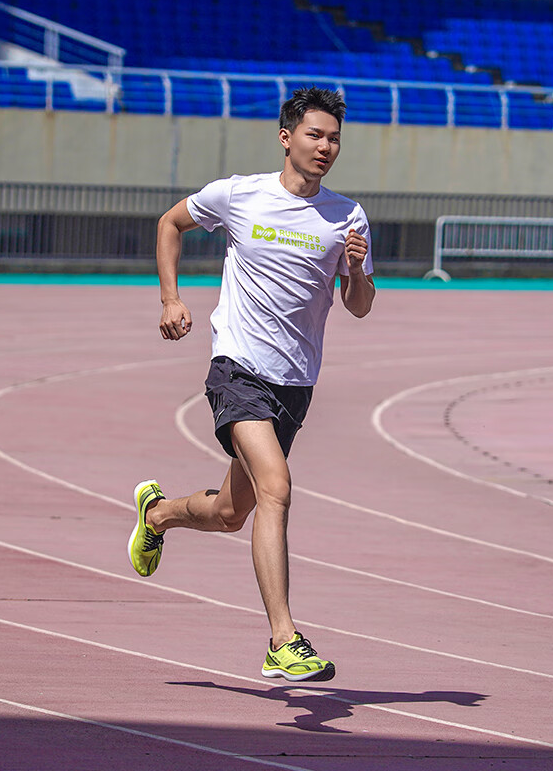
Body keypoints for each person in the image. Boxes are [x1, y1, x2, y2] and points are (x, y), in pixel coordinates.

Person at [127, 86, 375, 682]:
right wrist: (170, 299)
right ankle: (283, 639)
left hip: (295, 383)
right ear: (287, 138)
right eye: (315, 135)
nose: (326, 147)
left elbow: (360, 305)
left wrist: (356, 269)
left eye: (334, 138)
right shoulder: (240, 195)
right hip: (237, 369)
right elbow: (171, 223)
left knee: (231, 511)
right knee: (276, 488)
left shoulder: (347, 216)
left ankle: (157, 515)